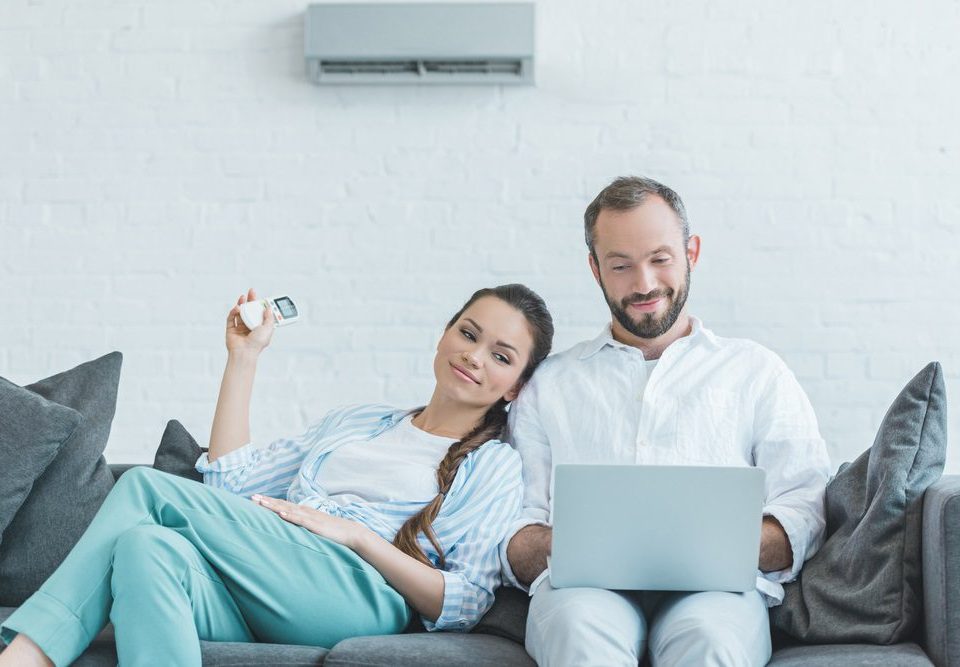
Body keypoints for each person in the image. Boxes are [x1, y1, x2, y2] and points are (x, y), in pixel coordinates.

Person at [0, 283, 554, 667]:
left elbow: (466, 601)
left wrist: (356, 536)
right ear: (443, 335)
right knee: (147, 549)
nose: (475, 356)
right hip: (280, 577)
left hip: (359, 592)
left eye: (501, 356)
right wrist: (244, 358)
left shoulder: (495, 464)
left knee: (144, 487)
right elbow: (228, 485)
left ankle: (28, 652)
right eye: (468, 333)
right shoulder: (355, 422)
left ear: (514, 387)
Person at [503, 176, 832, 667]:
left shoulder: (756, 371)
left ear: (691, 252)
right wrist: (583, 544)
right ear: (594, 269)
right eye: (620, 265)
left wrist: (704, 541)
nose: (644, 284)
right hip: (583, 591)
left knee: (709, 638)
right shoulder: (550, 384)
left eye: (660, 259)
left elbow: (805, 506)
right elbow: (514, 527)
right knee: (577, 629)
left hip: (717, 592)